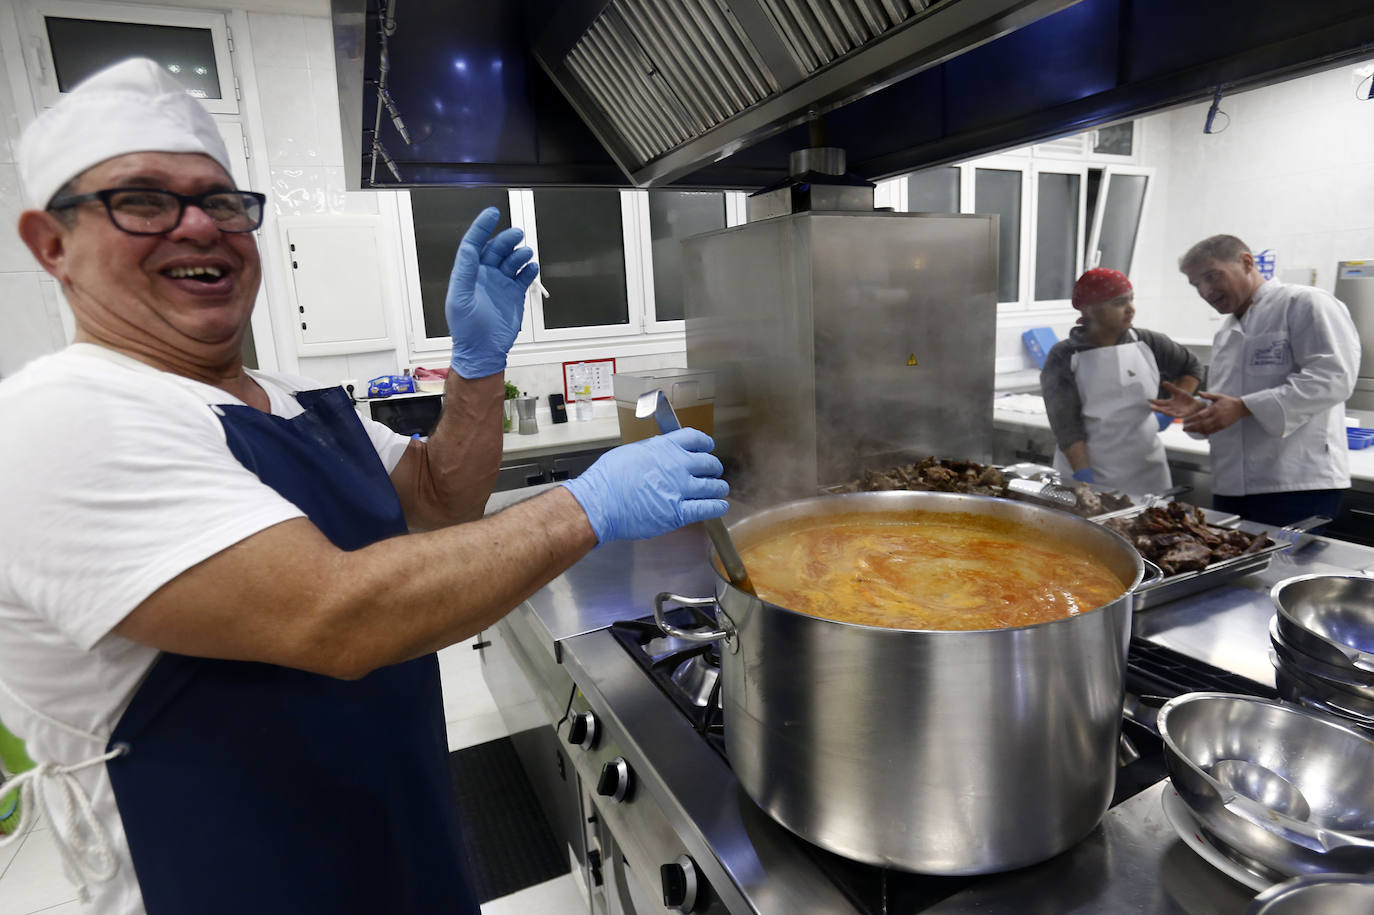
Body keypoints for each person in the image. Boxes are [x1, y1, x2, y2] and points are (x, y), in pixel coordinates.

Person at [0, 58, 729, 914]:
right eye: (144, 201)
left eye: (223, 202)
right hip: (230, 876)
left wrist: (476, 366)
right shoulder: (56, 420)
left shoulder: (283, 399)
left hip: (392, 838)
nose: (199, 226)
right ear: (51, 245)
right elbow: (334, 614)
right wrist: (586, 504)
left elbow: (438, 496)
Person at [1152, 235, 1361, 527]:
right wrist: (1201, 410)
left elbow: (1333, 378)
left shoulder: (1304, 303)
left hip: (1295, 485)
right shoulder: (1226, 332)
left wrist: (1243, 407)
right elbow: (1233, 402)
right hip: (1231, 486)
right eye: (1196, 284)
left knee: (1286, 570)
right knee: (1243, 571)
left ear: (1247, 262)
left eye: (1212, 276)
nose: (1205, 290)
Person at [1039, 267, 1202, 496]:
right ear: (1090, 310)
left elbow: (1191, 366)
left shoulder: (1147, 341)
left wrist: (1174, 406)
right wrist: (1084, 477)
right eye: (1119, 303)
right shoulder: (1064, 356)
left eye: (1131, 300)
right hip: (1089, 473)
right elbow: (1067, 428)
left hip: (1147, 474)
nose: (1131, 309)